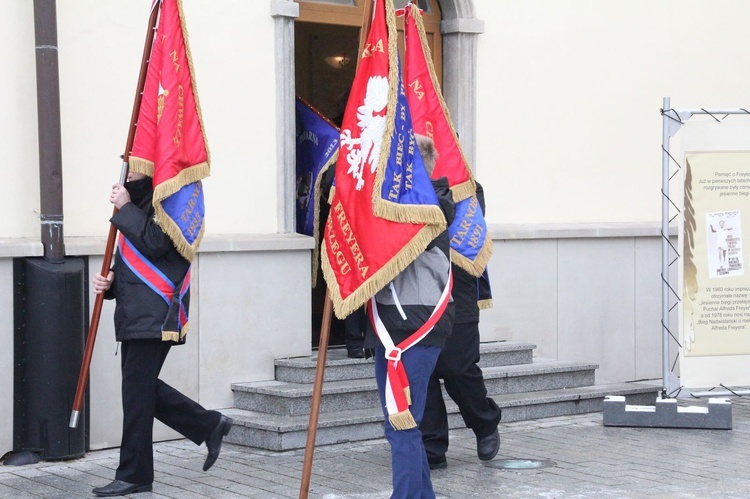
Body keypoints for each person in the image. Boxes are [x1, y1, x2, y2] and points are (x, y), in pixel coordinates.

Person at [91, 171, 232, 497]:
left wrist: (125, 208)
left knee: (137, 394)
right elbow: (132, 256)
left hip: (156, 312)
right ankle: (208, 426)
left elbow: (157, 244)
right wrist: (110, 281)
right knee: (139, 393)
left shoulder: (169, 198)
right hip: (137, 311)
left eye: (138, 159)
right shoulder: (138, 199)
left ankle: (136, 474)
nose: (130, 164)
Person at [364, 135, 455, 498]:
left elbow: (389, 242)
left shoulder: (428, 206)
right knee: (402, 423)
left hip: (412, 327)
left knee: (400, 424)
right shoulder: (406, 203)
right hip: (395, 325)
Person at [420, 180, 502, 470]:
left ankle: (484, 423)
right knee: (422, 370)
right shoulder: (399, 179)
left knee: (458, 368)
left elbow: (461, 222)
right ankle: (432, 446)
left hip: (458, 287)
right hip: (415, 287)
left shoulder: (466, 184)